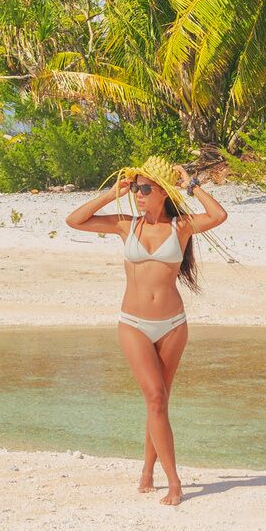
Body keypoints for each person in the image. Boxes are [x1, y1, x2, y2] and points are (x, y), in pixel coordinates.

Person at [63, 158, 229, 504]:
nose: (138, 194)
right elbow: (74, 221)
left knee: (159, 402)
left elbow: (218, 216)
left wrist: (191, 185)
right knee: (154, 397)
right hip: (134, 324)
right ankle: (175, 482)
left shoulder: (181, 226)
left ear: (162, 192)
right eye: (136, 187)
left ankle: (147, 470)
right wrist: (112, 194)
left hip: (173, 325)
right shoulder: (126, 225)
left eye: (144, 188)